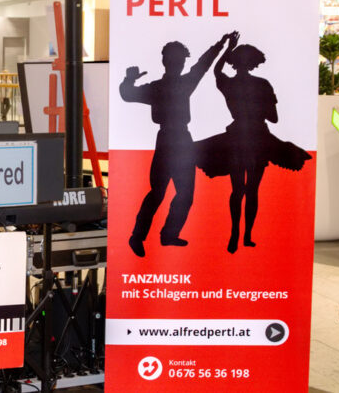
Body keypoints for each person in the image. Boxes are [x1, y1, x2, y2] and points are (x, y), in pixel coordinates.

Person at [196, 32, 311, 253]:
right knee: (253, 190)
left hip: (237, 136)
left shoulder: (227, 83)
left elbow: (216, 71)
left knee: (237, 189)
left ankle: (234, 235)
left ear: (235, 62)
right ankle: (247, 236)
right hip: (258, 138)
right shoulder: (263, 84)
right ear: (254, 63)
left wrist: (229, 48)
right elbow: (274, 118)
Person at [120, 35, 227, 258]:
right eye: (178, 60)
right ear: (169, 62)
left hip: (177, 140)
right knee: (162, 193)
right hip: (172, 139)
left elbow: (203, 64)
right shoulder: (171, 85)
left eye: (181, 60)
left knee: (180, 193)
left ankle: (164, 235)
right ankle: (140, 237)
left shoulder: (171, 85)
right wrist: (128, 80)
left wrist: (129, 80)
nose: (181, 64)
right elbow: (127, 94)